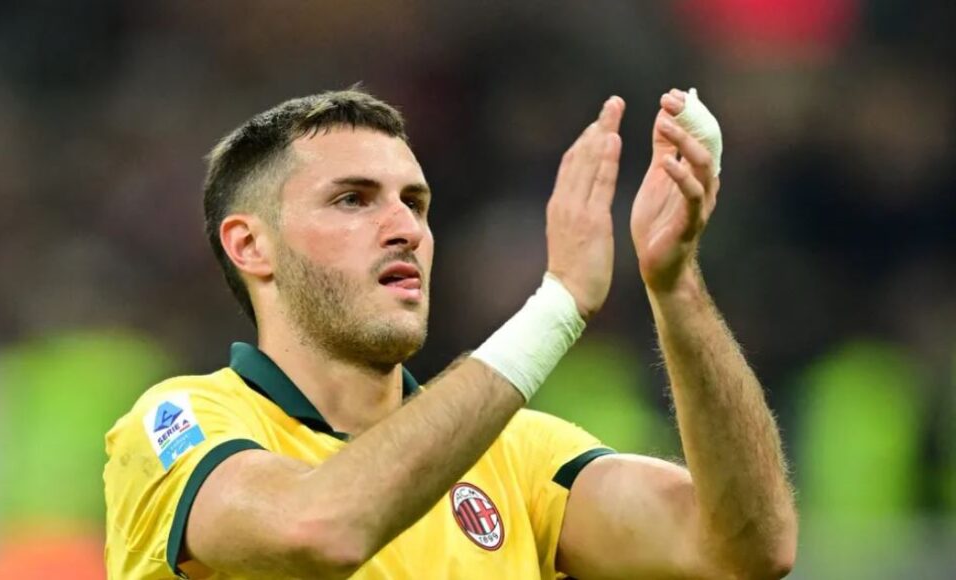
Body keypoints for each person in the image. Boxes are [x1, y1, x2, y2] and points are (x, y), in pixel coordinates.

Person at [103, 88, 797, 579]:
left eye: (415, 203)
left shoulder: (517, 455)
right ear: (251, 246)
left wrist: (675, 286)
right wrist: (556, 308)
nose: (405, 228)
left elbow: (746, 551)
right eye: (353, 199)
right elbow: (318, 529)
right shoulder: (180, 423)